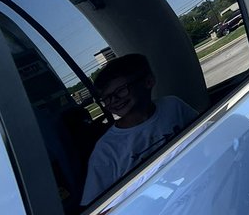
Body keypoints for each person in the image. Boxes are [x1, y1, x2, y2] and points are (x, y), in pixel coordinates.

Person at [82, 53, 196, 204]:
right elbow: (95, 207)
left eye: (121, 90)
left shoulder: (172, 106)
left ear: (148, 82)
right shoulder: (106, 150)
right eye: (106, 98)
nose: (114, 101)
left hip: (195, 184)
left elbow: (204, 135)